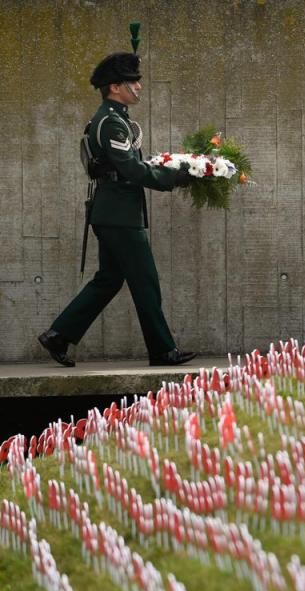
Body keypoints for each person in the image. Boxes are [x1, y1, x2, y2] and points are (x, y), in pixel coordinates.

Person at [37, 52, 195, 368]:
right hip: (119, 216)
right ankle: (162, 351)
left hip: (113, 213)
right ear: (114, 87)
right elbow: (132, 170)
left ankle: (58, 334)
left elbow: (132, 165)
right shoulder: (110, 123)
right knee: (145, 280)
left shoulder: (116, 119)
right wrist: (175, 177)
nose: (138, 87)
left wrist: (175, 166)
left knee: (109, 280)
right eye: (132, 82)